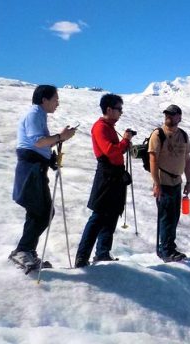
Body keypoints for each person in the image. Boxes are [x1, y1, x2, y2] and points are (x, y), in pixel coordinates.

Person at [9, 85, 77, 268]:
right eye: (55, 99)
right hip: (31, 168)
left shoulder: (39, 115)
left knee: (40, 211)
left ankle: (27, 251)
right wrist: (60, 137)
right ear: (44, 100)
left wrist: (52, 155)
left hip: (36, 167)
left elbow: (40, 144)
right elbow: (36, 141)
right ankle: (23, 251)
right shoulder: (34, 114)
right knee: (41, 211)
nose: (57, 103)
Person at [74, 94, 133, 268]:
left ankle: (102, 253)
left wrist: (124, 143)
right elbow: (111, 151)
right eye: (118, 109)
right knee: (99, 216)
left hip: (113, 176)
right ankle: (82, 257)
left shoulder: (108, 127)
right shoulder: (100, 127)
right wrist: (125, 141)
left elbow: (114, 151)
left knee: (112, 214)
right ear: (109, 109)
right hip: (107, 176)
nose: (121, 113)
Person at [149, 104, 190, 262]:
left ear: (179, 117)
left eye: (172, 114)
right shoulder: (158, 134)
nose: (168, 116)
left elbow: (187, 159)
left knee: (174, 216)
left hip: (177, 182)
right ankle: (166, 250)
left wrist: (189, 181)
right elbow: (153, 159)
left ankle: (169, 247)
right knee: (166, 217)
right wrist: (156, 183)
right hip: (164, 182)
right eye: (167, 114)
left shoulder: (183, 135)